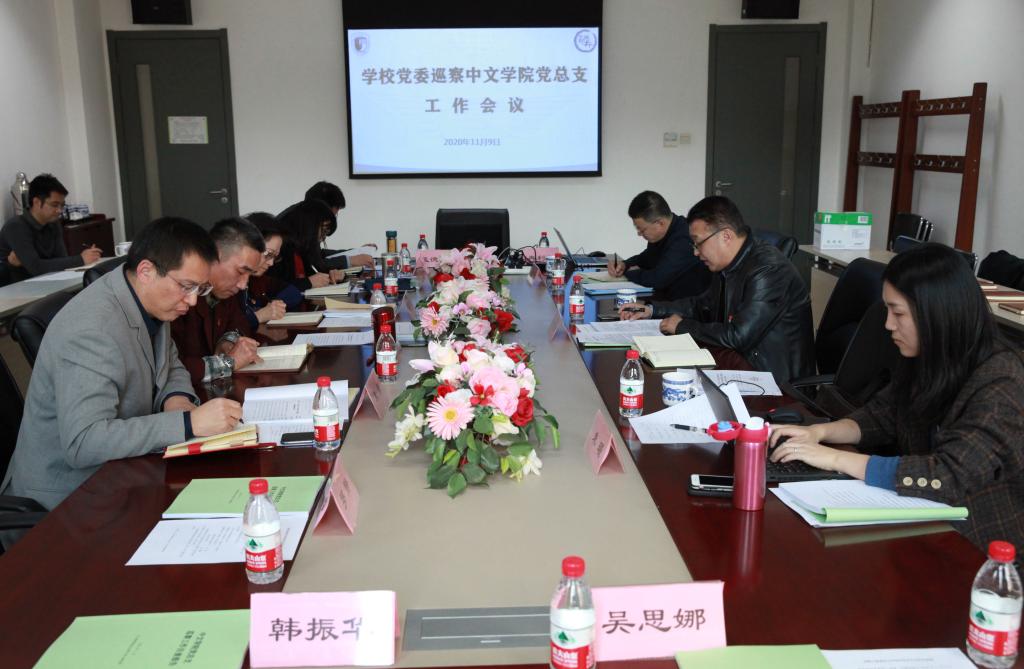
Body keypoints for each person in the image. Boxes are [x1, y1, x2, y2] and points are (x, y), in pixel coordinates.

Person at [770, 243, 1024, 552]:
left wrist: (835, 458)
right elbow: (884, 414)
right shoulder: (930, 354)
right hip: (924, 518)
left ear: (937, 313)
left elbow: (949, 476)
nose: (888, 324)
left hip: (978, 544)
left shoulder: (1002, 380)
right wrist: (819, 433)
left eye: (898, 313)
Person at [0, 218, 242, 513]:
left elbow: (170, 363)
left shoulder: (148, 297)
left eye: (200, 289)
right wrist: (188, 424)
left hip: (123, 470)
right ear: (146, 271)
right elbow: (84, 442)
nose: (192, 301)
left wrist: (176, 399)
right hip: (67, 498)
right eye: (187, 287)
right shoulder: (92, 329)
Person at [621, 196, 813, 382]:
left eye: (698, 243)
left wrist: (682, 326)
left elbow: (739, 336)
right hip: (739, 364)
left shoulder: (768, 270)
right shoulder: (728, 263)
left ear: (726, 236)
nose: (695, 252)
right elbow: (702, 305)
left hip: (775, 383)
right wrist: (652, 309)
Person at [169, 217, 265, 386]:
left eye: (249, 275)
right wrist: (226, 364)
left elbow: (239, 322)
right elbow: (170, 368)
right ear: (214, 256)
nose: (243, 284)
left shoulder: (225, 289)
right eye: (241, 271)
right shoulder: (179, 295)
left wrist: (227, 341)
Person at [606, 190, 711, 300]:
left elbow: (658, 278)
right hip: (664, 299)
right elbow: (647, 258)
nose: (639, 234)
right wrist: (624, 264)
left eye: (642, 230)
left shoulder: (684, 238)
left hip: (684, 305)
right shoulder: (663, 233)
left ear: (660, 223)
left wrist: (626, 273)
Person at [0, 173, 102, 280]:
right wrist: (80, 259)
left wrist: (75, 260)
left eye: (62, 205)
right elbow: (36, 267)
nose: (59, 210)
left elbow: (62, 259)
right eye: (54, 205)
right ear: (36, 202)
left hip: (46, 281)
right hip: (15, 285)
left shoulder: (53, 223)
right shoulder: (16, 226)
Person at [270, 199, 348, 290]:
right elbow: (273, 288)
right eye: (323, 231)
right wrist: (308, 282)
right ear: (309, 226)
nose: (322, 238)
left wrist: (332, 275)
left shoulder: (302, 248)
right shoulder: (280, 248)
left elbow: (313, 274)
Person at [239, 212, 299, 330]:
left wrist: (273, 307)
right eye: (268, 254)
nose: (271, 263)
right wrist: (259, 316)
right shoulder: (229, 284)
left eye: (275, 257)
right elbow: (227, 329)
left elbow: (294, 293)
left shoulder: (257, 279)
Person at [304, 180, 375, 269]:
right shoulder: (302, 229)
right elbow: (316, 264)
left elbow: (319, 254)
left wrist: (356, 252)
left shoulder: (308, 222)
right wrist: (350, 260)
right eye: (333, 215)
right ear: (321, 208)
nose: (333, 220)